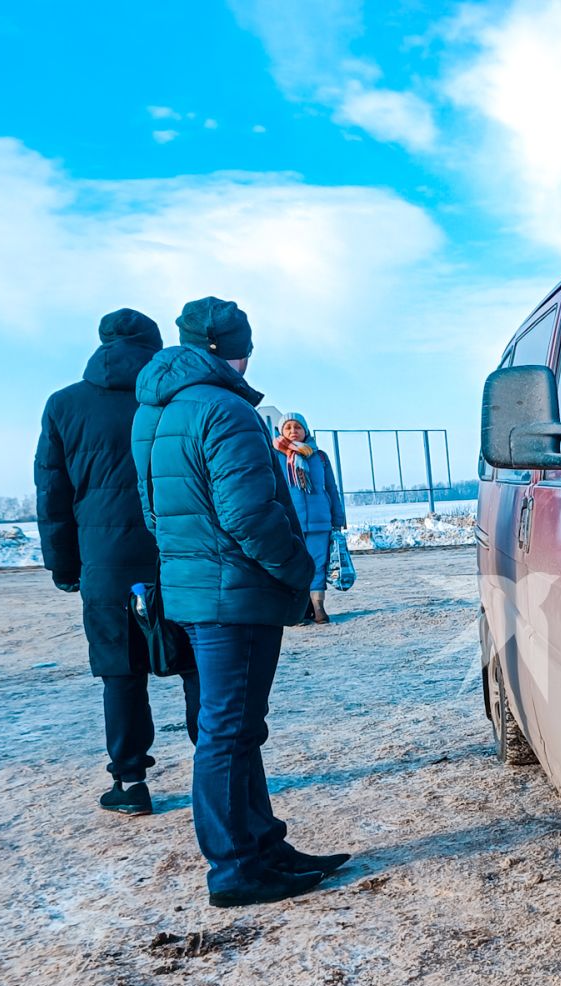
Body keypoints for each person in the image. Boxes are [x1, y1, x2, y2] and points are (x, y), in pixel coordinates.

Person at [132, 296, 349, 908]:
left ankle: (260, 844)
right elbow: (249, 514)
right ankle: (234, 866)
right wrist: (297, 569)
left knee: (231, 726)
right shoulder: (225, 410)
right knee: (228, 729)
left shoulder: (152, 412)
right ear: (236, 350)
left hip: (194, 590)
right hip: (237, 591)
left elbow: (152, 512)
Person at [36, 309, 201, 816]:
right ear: (154, 346)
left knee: (121, 673)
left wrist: (65, 567)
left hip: (105, 563)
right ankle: (218, 769)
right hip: (176, 551)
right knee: (197, 665)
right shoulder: (175, 395)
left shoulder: (63, 404)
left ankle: (130, 783)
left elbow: (53, 496)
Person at [272, 413, 346, 624]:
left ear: (306, 431)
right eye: (288, 428)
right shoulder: (274, 456)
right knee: (292, 564)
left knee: (317, 563)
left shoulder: (319, 457)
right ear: (281, 432)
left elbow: (331, 488)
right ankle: (298, 610)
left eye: (298, 427)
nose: (293, 431)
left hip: (319, 519)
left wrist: (338, 517)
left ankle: (318, 606)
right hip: (289, 521)